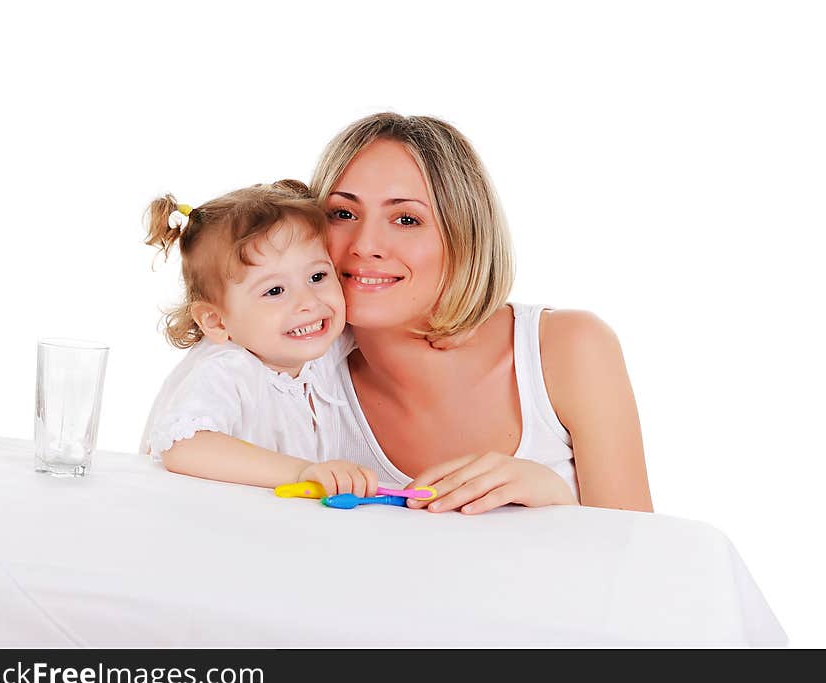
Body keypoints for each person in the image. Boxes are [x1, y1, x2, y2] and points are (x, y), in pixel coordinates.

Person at [309, 112, 654, 514]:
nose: (365, 244)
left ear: (465, 234)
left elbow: (639, 558)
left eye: (406, 219)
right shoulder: (300, 380)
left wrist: (556, 498)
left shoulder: (569, 349)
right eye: (342, 214)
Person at [139, 180, 380, 497]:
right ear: (216, 320)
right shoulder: (227, 370)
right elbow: (184, 444)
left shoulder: (319, 345)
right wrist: (301, 472)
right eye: (275, 291)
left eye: (318, 276)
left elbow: (388, 332)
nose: (308, 301)